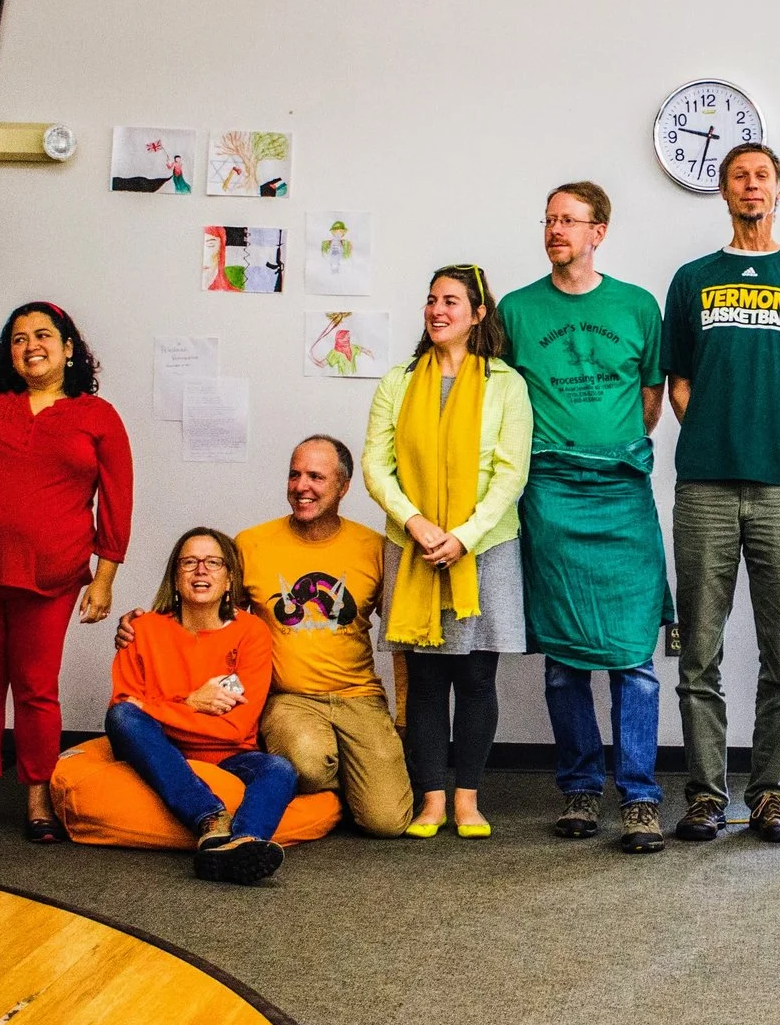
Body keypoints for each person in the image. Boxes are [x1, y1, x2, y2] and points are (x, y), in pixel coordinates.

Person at [663, 142, 780, 844]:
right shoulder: (692, 279)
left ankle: (770, 791)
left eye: (762, 176)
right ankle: (706, 794)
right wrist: (708, 425)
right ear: (724, 191)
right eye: (739, 176)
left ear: (779, 189)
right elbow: (677, 378)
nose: (751, 186)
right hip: (704, 486)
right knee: (698, 650)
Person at [0, 302, 133, 846]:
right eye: (17, 338)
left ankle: (38, 803)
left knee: (36, 689)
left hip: (50, 574)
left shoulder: (97, 415)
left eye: (42, 335)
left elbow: (118, 503)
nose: (30, 345)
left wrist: (103, 579)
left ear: (68, 347)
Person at [500, 182, 671, 853]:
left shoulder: (636, 306)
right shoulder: (516, 309)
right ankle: (578, 787)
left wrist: (609, 451)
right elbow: (501, 402)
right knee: (566, 657)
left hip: (621, 488)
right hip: (551, 490)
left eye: (569, 220)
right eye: (549, 220)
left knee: (634, 656)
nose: (555, 230)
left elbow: (651, 397)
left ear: (599, 231)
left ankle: (638, 796)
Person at [366, 264, 533, 839]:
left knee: (476, 677)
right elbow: (375, 466)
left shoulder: (506, 384)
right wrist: (415, 523)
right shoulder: (397, 381)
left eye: (452, 302)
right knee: (428, 680)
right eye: (432, 300)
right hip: (413, 548)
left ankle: (467, 800)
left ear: (478, 315)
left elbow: (511, 474)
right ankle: (431, 800)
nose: (438, 310)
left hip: (483, 549)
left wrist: (462, 536)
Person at [238, 436, 416, 838]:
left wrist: (403, 712)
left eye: (316, 476)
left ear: (344, 486)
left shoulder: (375, 548)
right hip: (289, 697)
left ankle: (340, 793)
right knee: (309, 765)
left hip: (359, 697)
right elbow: (215, 620)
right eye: (294, 474)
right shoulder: (251, 544)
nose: (302, 487)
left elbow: (399, 639)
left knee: (387, 822)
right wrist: (146, 624)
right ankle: (328, 782)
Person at [107, 529, 292, 884]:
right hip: (162, 749)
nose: (201, 571)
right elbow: (125, 710)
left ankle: (243, 842)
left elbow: (237, 727)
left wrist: (156, 709)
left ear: (229, 580)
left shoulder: (251, 633)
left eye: (213, 563)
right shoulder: (142, 630)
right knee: (121, 717)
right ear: (175, 578)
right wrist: (191, 703)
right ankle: (209, 818)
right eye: (189, 562)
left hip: (230, 752)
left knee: (280, 769)